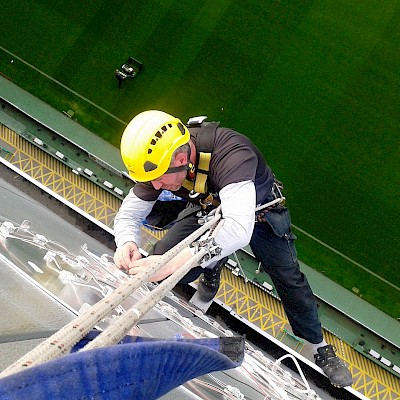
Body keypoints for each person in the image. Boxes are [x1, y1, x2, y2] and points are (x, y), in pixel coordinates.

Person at [113, 110, 353, 388]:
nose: (155, 186)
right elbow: (129, 216)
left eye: (158, 179)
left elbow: (238, 229)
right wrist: (126, 242)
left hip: (258, 213)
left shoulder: (232, 154)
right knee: (163, 259)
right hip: (209, 207)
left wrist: (176, 262)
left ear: (180, 159)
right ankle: (213, 264)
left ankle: (319, 347)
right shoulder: (159, 164)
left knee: (289, 279)